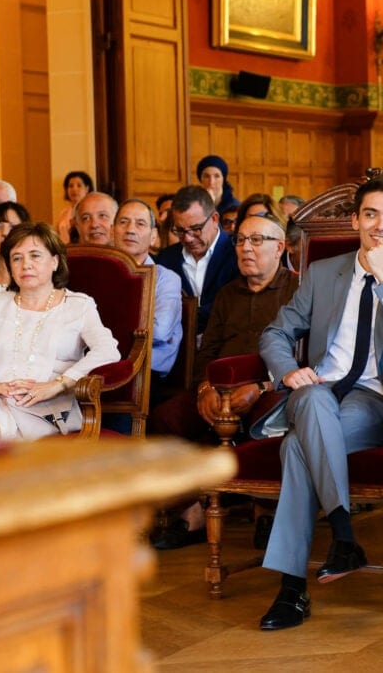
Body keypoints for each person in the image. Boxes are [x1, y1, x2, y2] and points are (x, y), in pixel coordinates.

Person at [255, 174, 383, 630]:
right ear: (356, 219)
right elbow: (276, 332)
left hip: (375, 402)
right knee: (314, 396)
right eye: (372, 214)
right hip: (316, 391)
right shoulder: (323, 273)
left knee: (297, 448)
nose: (381, 225)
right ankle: (341, 534)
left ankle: (293, 589)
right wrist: (287, 370)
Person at [149, 193, 299, 550]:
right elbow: (209, 351)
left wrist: (263, 386)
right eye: (242, 240)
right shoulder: (228, 294)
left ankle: (267, 510)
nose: (247, 248)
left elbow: (306, 357)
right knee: (165, 420)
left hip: (270, 389)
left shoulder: (297, 289)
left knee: (271, 418)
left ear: (279, 248)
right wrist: (203, 388)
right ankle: (193, 509)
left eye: (257, 241)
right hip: (219, 389)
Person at [0, 221, 120, 439]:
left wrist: (58, 384)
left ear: (55, 261)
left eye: (35, 255)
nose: (25, 265)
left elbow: (107, 351)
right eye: (17, 258)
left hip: (47, 409)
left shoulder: (78, 305)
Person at [155, 185, 240, 336]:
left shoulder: (238, 253)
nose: (188, 238)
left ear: (214, 219)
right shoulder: (166, 260)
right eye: (180, 230)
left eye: (196, 228)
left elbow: (234, 308)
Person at [112, 198, 182, 379]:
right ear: (112, 231)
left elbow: (159, 331)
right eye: (123, 222)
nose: (130, 230)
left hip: (147, 373)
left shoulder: (166, 279)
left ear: (153, 236)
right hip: (102, 366)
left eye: (140, 223)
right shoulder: (101, 274)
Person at [55, 171, 94, 244]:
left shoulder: (92, 212)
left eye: (79, 185)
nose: (74, 189)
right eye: (71, 186)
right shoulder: (63, 213)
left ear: (87, 189)